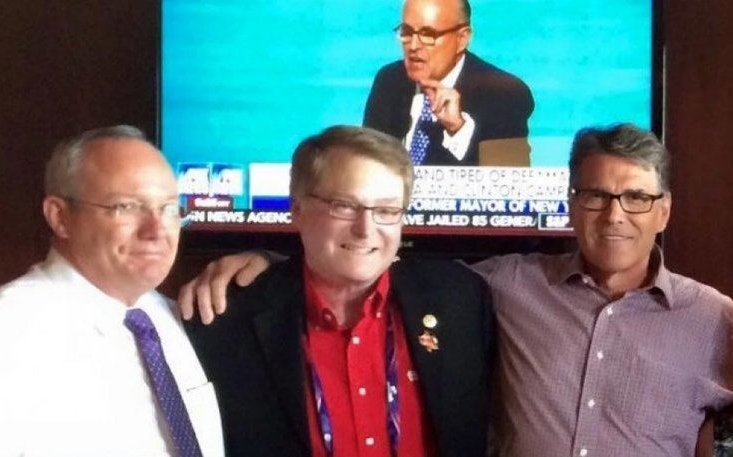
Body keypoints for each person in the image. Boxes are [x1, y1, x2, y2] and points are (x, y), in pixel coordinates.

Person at [180, 123, 733, 456]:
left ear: (664, 211)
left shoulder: (714, 319)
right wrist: (272, 262)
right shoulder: (501, 286)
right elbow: (349, 260)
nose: (615, 215)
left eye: (636, 197)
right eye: (595, 196)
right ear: (570, 204)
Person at [184, 126, 495, 456]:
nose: (365, 230)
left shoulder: (462, 299)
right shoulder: (225, 316)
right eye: (344, 206)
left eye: (387, 210)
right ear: (298, 210)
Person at [0, 126, 223, 456]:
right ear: (60, 217)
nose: (156, 230)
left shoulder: (177, 319)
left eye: (168, 208)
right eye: (126, 207)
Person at [363, 0, 534, 166]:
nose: (413, 45)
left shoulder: (505, 95)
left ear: (462, 38)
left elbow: (510, 185)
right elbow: (366, 165)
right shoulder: (389, 81)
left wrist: (458, 130)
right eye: (406, 32)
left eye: (428, 34)